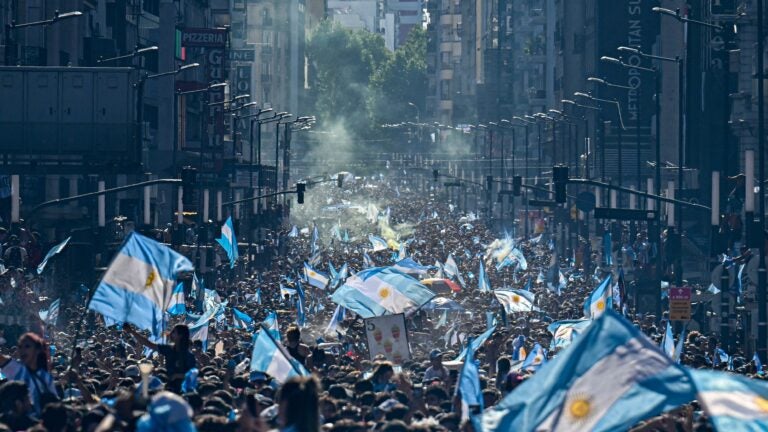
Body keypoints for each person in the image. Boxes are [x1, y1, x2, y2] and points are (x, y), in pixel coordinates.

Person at [125, 323, 196, 392]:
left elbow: (193, 375)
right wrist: (132, 331)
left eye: (174, 332)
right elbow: (148, 344)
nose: (171, 334)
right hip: (169, 388)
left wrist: (178, 376)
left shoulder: (189, 356)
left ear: (181, 335)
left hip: (184, 391)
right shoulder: (169, 350)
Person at [0, 332, 58, 415]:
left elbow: (54, 403)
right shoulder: (15, 368)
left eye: (27, 346)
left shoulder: (46, 377)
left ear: (38, 350)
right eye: (20, 347)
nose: (22, 350)